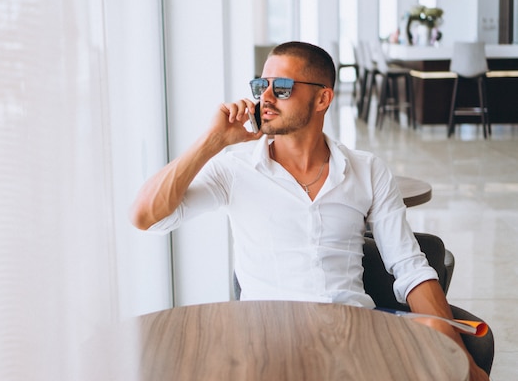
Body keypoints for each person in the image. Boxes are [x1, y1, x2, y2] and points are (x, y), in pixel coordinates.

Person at [130, 41, 488, 380]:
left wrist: (461, 357)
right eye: (261, 86)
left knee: (436, 334)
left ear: (322, 98)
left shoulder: (367, 169)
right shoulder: (234, 169)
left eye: (282, 88)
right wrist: (213, 141)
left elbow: (409, 267)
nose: (265, 98)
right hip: (266, 340)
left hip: (354, 332)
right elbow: (146, 217)